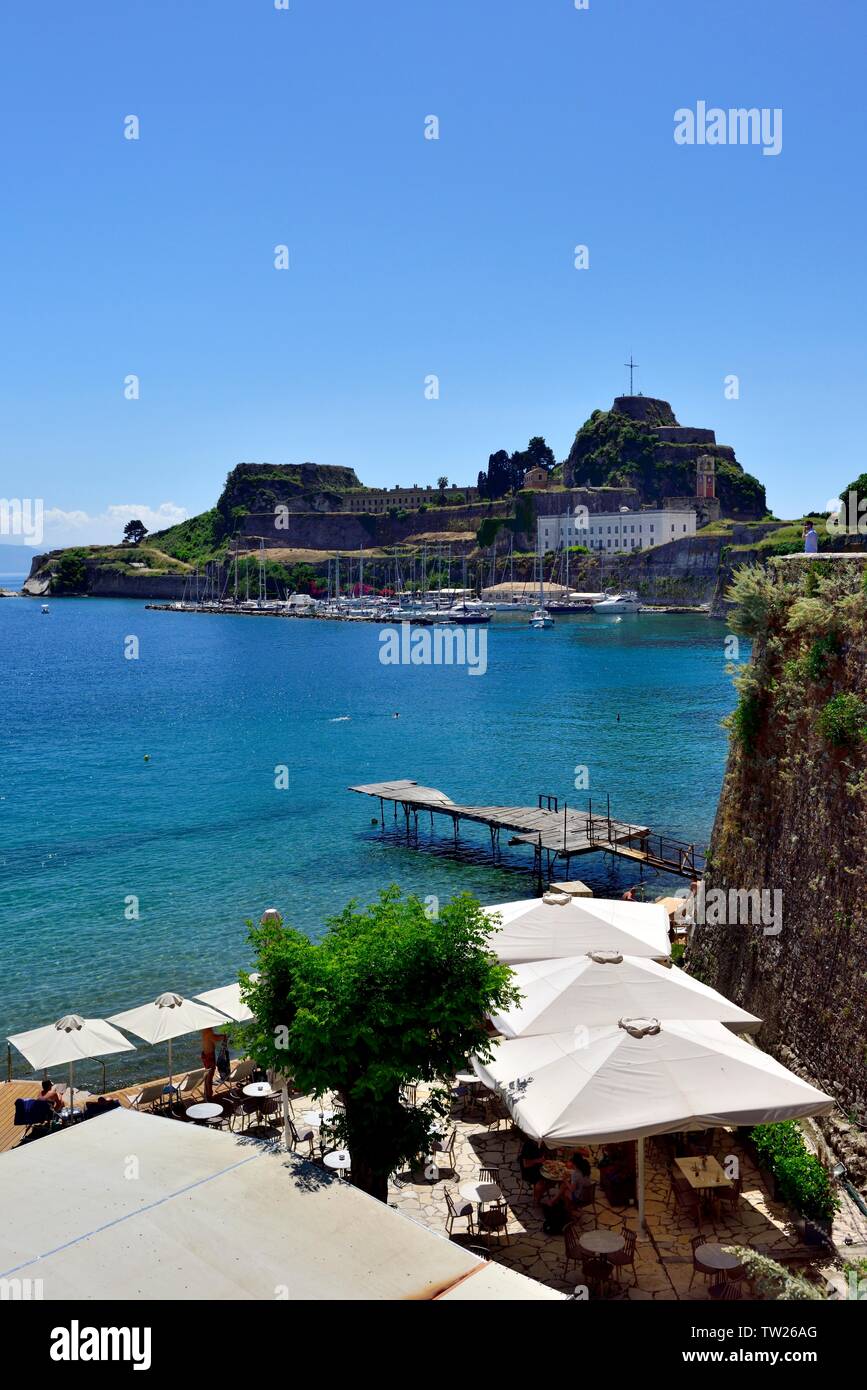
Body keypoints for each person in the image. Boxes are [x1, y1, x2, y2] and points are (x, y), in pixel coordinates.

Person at [201, 1026, 228, 1101]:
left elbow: (212, 1037)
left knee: (208, 1075)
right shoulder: (207, 1028)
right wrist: (223, 1036)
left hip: (208, 1054)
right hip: (209, 1056)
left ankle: (207, 1093)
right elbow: (214, 1038)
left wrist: (222, 1036)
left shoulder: (206, 1028)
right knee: (209, 1076)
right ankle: (209, 1096)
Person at [519, 1136, 549, 1203]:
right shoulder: (528, 1145)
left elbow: (541, 1157)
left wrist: (544, 1160)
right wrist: (537, 1161)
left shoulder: (541, 1144)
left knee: (552, 1181)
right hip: (528, 1170)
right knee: (541, 1183)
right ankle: (536, 1199)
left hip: (538, 1167)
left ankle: (538, 1195)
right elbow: (525, 1164)